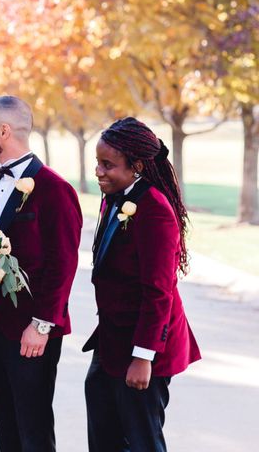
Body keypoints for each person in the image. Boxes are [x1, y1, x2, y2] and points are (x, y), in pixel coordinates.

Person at [83, 117, 201, 452]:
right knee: (103, 428)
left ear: (136, 166)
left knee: (142, 440)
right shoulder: (114, 197)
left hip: (145, 347)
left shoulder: (154, 210)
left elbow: (158, 292)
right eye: (97, 163)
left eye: (108, 165)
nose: (99, 171)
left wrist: (143, 357)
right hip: (112, 338)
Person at [0, 96, 82, 452]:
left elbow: (63, 263)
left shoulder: (55, 189)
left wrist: (41, 324)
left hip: (31, 333)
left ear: (4, 131)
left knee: (33, 431)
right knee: (6, 426)